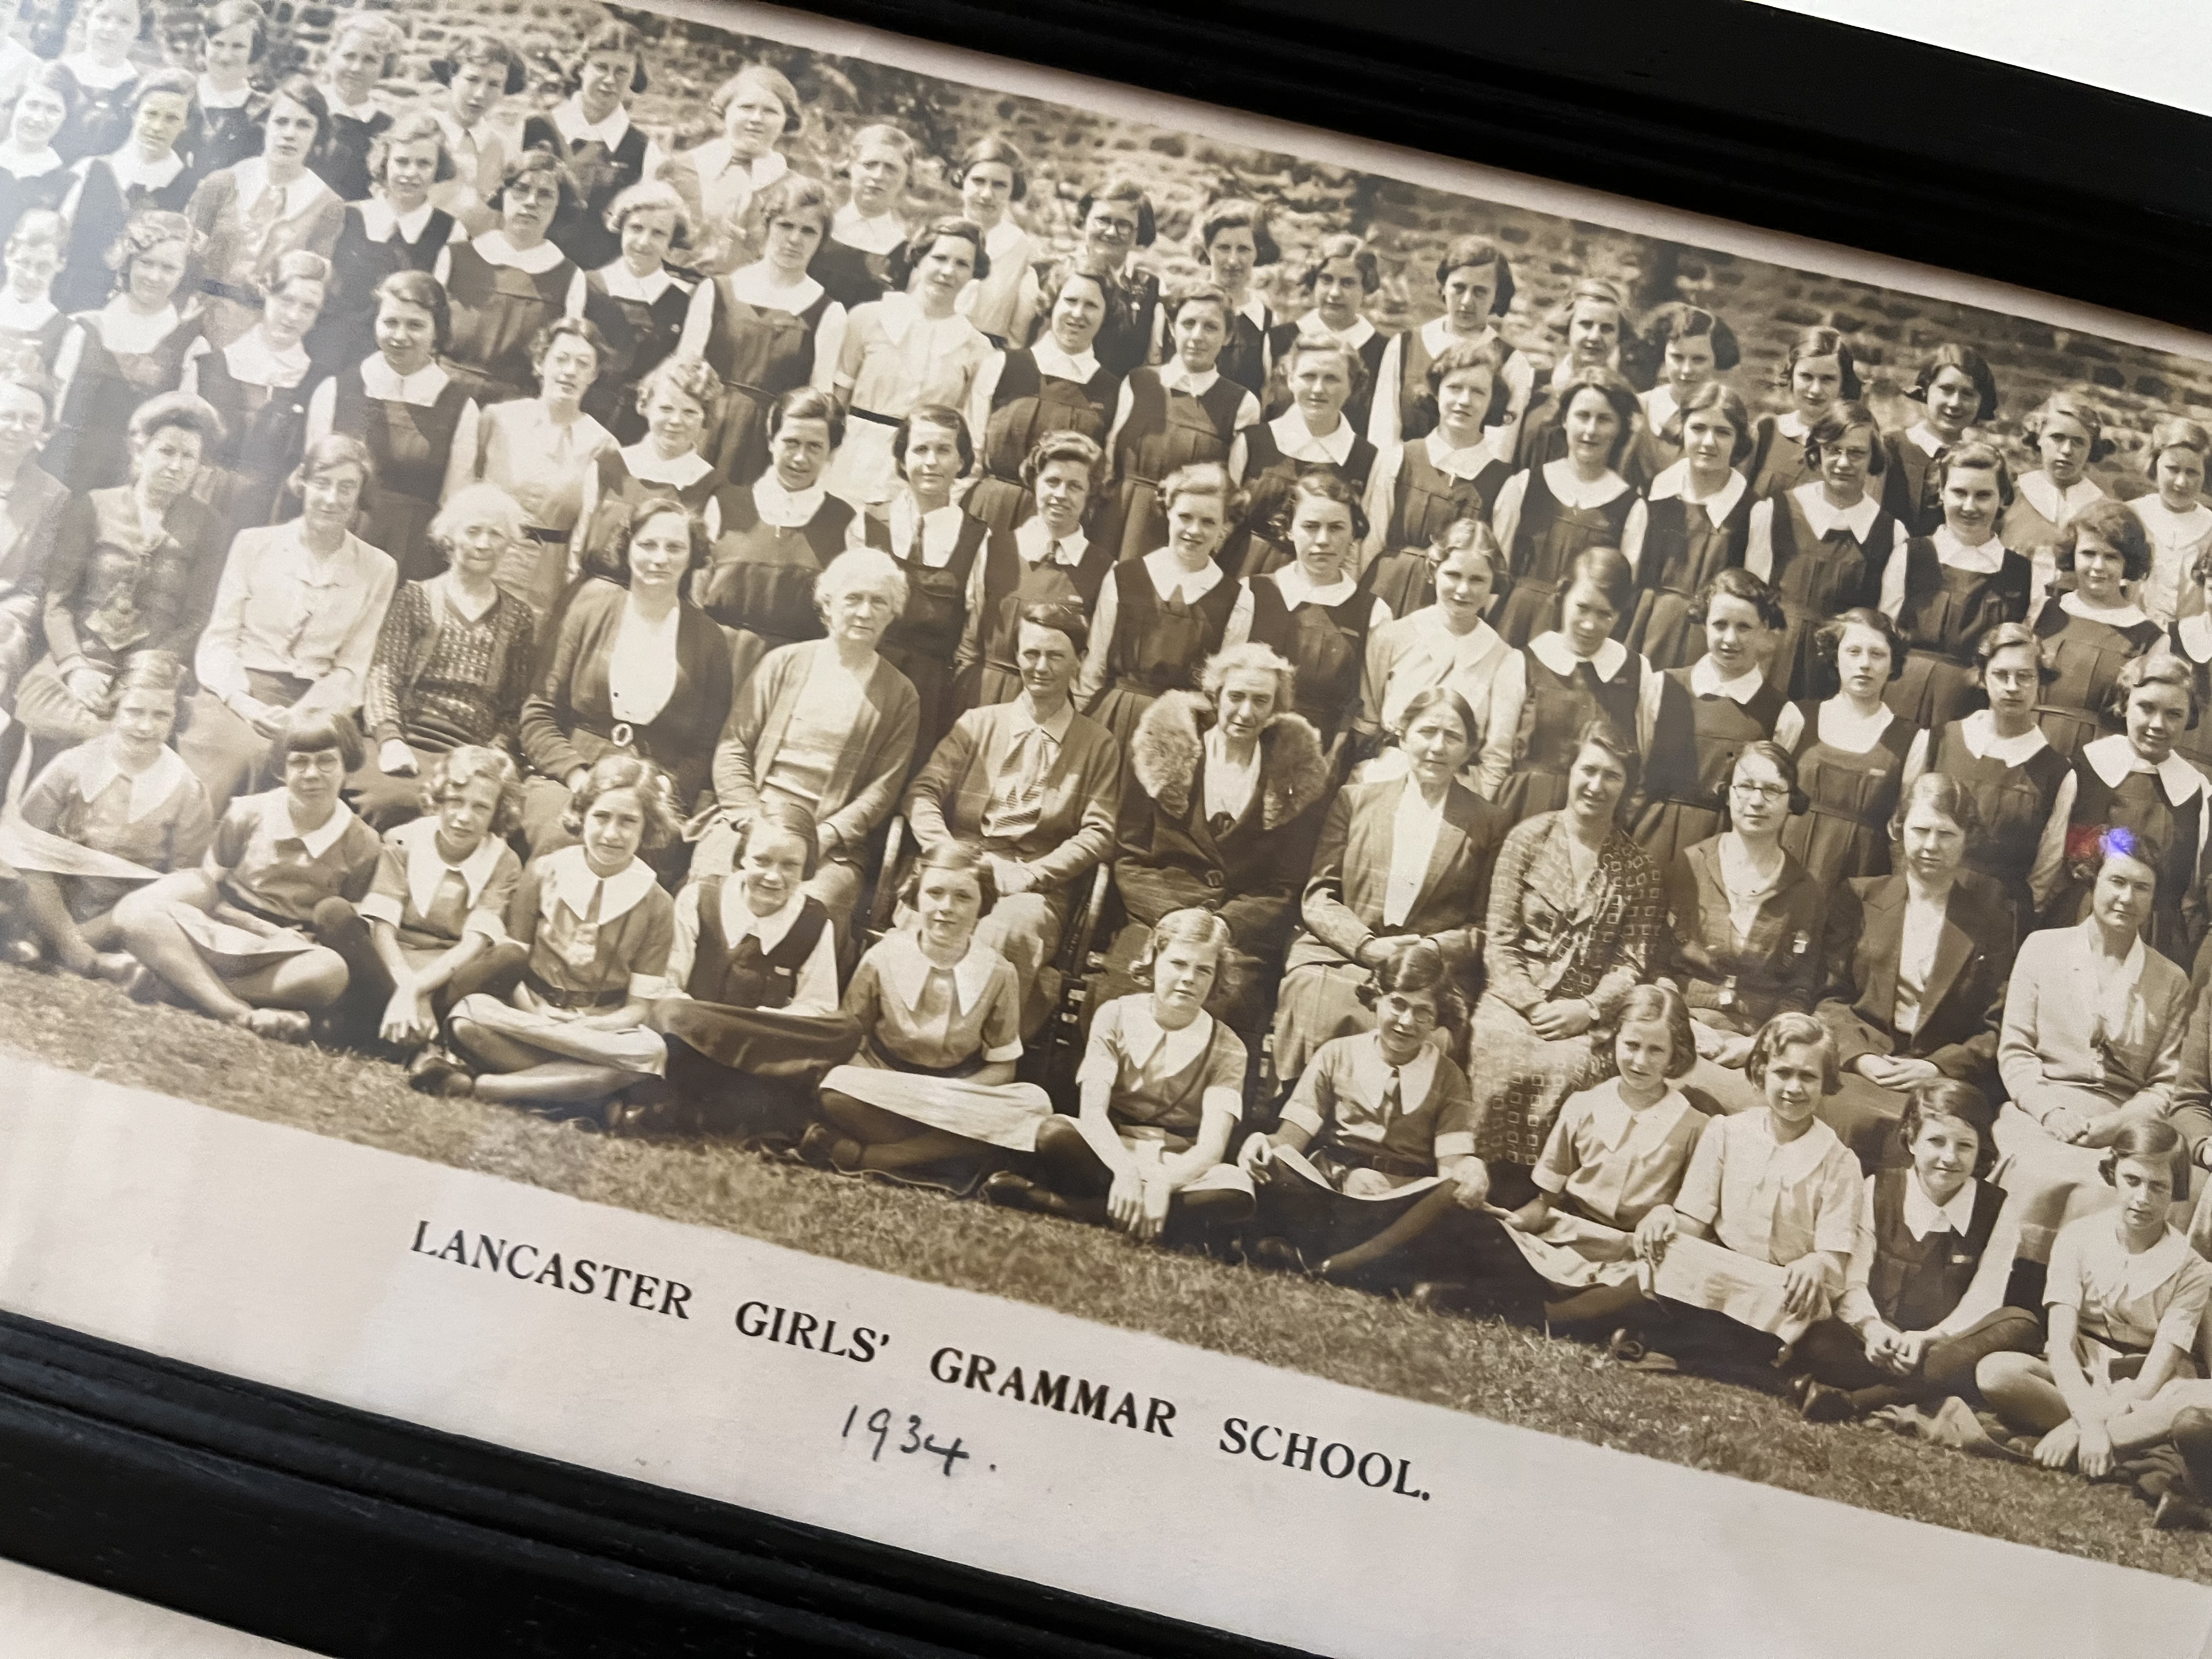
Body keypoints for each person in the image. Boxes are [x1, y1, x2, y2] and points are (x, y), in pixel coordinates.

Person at [1272, 686, 1506, 1084]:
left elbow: (1486, 925)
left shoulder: (1487, 821)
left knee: (1423, 1021)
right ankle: (1295, 1119)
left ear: (1470, 749)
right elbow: (1319, 896)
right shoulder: (1355, 801)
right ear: (1403, 733)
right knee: (1316, 995)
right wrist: (1366, 946)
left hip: (1430, 971)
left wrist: (1431, 949)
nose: (1437, 747)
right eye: (1427, 731)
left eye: (1453, 737)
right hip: (1347, 956)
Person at [904, 601, 1119, 1034]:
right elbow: (923, 792)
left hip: (1034, 887)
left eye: (1056, 656)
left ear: (1079, 661)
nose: (1041, 667)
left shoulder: (1098, 745)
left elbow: (1099, 832)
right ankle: (906, 1036)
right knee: (936, 916)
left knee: (1004, 933)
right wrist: (951, 854)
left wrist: (1032, 875)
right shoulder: (977, 724)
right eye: (1030, 654)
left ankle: (974, 1051)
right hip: (961, 865)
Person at [985, 907, 1254, 1241]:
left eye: (1204, 970)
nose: (1189, 979)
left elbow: (1212, 1148)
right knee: (1054, 1134)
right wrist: (1126, 1172)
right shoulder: (1115, 1015)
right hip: (1110, 1151)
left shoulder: (1229, 1046)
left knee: (1236, 1193)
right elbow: (1093, 1111)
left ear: (1216, 978)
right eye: (1178, 964)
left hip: (1178, 1163)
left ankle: (1056, 1204)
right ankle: (1154, 1219)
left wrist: (1163, 1183)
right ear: (1154, 961)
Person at [111, 712, 380, 1042]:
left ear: (346, 766)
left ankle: (176, 982)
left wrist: (284, 939)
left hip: (283, 951)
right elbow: (211, 888)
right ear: (281, 770)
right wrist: (254, 926)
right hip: (222, 926)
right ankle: (234, 1010)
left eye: (326, 762)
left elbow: (343, 924)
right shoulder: (248, 813)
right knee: (142, 918)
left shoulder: (363, 842)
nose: (312, 775)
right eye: (299, 763)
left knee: (331, 973)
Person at [1995, 826, 2192, 1268]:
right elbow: (2016, 1052)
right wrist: (2050, 1111)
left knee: (2117, 1190)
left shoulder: (2171, 980)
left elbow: (2165, 1082)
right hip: (2041, 1114)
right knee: (2038, 1171)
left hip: (2123, 1125)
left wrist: (2117, 1127)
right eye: (2117, 882)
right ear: (2093, 880)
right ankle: (2015, 1292)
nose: (2127, 898)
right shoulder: (2042, 949)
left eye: (2142, 888)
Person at [1109, 641, 1330, 1030]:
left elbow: (1286, 887)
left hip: (1239, 936)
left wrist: (1227, 924)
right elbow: (1130, 857)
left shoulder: (1294, 776)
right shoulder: (1161, 756)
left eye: (1261, 701)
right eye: (1237, 697)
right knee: (1124, 988)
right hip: (1159, 919)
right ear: (1215, 696)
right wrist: (1173, 916)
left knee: (1230, 1003)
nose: (1247, 712)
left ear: (1276, 708)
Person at [444, 753, 680, 1117]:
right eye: (601, 817)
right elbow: (515, 959)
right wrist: (537, 1013)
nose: (611, 834)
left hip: (598, 1029)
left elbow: (639, 1006)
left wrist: (594, 1024)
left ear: (646, 828)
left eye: (628, 822)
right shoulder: (544, 871)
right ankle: (583, 1093)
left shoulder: (658, 902)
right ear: (583, 814)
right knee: (469, 1016)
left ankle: (496, 1087)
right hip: (531, 1014)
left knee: (651, 1052)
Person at [1791, 1079, 2041, 1421]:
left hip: (1944, 1346)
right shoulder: (1877, 1189)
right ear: (1911, 1140)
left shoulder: (1998, 1210)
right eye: (1936, 1142)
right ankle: (1904, 1388)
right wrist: (1872, 1330)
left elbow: (1983, 1300)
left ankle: (1858, 1401)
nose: (1950, 1158)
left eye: (1965, 1146)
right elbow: (1854, 1281)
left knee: (2019, 1325)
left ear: (1981, 1149)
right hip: (1876, 1340)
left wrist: (1927, 1339)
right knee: (1819, 1339)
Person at [1978, 1121, 2212, 1486]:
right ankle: (2117, 1445)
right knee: (1997, 1374)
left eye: (2158, 1187)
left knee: (2201, 1398)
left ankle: (2077, 1444)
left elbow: (2152, 1377)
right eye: (2133, 1180)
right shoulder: (2078, 1238)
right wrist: (2089, 1417)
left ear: (2176, 1190)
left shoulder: (2193, 1269)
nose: (2142, 1199)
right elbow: (2061, 1346)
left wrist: (2078, 1427)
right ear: (2113, 1174)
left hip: (2149, 1386)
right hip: (2081, 1373)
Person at [1239, 940, 1488, 1280]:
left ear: (1436, 1020)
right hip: (1333, 1188)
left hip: (1400, 1202)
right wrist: (1259, 1143)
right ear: (1377, 999)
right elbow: (1289, 1141)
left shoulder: (1448, 1077)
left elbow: (1449, 1171)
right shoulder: (1337, 1054)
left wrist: (1470, 1168)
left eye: (1422, 1012)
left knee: (1452, 1193)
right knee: (1276, 1162)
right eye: (1397, 1004)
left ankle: (1335, 1263)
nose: (1406, 1021)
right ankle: (1367, 1263)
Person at [806, 842, 1052, 1185]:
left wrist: (949, 1096)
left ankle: (880, 1156)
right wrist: (895, 1087)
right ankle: (944, 1156)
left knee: (1034, 1105)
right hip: (885, 1082)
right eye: (935, 893)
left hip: (957, 1092)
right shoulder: (883, 957)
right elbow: (850, 1037)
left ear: (983, 905)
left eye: (964, 897)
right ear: (916, 896)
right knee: (836, 1087)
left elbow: (1003, 1065)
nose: (946, 908)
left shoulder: (1000, 973)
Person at [13, 391, 225, 776]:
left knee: (133, 735)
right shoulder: (93, 506)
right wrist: (76, 668)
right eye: (166, 451)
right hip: (80, 660)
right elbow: (57, 602)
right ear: (139, 449)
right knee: (59, 727)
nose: (176, 466)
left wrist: (146, 674)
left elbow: (197, 618)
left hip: (151, 673)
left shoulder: (207, 527)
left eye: (188, 457)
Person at [179, 434, 393, 813]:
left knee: (297, 766)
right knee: (236, 760)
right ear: (303, 483)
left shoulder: (379, 568)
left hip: (320, 703)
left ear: (360, 495)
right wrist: (243, 702)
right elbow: (220, 638)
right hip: (239, 688)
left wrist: (302, 716)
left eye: (347, 488)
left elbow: (352, 667)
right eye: (322, 484)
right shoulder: (253, 544)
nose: (332, 499)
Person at [1634, 1014, 1862, 1365]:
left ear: (1826, 1083)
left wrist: (1816, 1262)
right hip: (1720, 1267)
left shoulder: (1839, 1162)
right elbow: (1693, 1222)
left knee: (1813, 1319)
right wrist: (1665, 1216)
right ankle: (1739, 1356)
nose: (1794, 1088)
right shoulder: (1727, 1132)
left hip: (1781, 1288)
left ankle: (1679, 1343)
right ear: (1760, 1073)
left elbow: (1835, 1259)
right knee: (1670, 1251)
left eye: (1808, 1076)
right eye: (1783, 1073)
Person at [1814, 773, 2016, 1168]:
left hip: (1943, 1079)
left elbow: (1998, 1023)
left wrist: (1937, 1067)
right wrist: (1859, 1057)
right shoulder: (1860, 897)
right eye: (1920, 830)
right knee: (1844, 1118)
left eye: (1946, 834)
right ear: (1898, 828)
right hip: (1867, 1068)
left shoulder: (1992, 913)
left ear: (1966, 839)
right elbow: (1829, 998)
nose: (1930, 846)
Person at [706, 546, 916, 918]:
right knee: (710, 878)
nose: (865, 612)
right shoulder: (782, 663)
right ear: (829, 603)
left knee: (816, 906)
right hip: (751, 822)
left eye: (879, 602)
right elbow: (734, 745)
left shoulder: (901, 695)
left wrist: (826, 836)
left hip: (828, 843)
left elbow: (883, 789)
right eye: (854, 599)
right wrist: (752, 820)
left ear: (893, 613)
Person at [520, 501, 731, 860]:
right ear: (628, 547)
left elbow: (708, 746)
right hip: (572, 774)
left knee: (648, 855)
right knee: (564, 842)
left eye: (675, 547)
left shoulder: (709, 639)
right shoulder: (588, 606)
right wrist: (578, 776)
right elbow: (538, 714)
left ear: (692, 556)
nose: (660, 558)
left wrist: (664, 787)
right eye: (648, 545)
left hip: (655, 786)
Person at [1489, 983, 1704, 1331]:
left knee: (1661, 1282)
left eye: (1656, 1051)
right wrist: (1511, 1223)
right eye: (1631, 1045)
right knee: (1491, 1234)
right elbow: (1546, 1201)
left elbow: (1691, 1218)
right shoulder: (1584, 1105)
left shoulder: (1696, 1126)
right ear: (1615, 1039)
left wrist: (1666, 1216)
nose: (1639, 1061)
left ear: (1675, 1055)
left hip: (1633, 1255)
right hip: (1566, 1239)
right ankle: (1578, 1317)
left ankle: (1544, 1315)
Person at [647, 800, 861, 1128]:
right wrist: (708, 1025)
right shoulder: (699, 899)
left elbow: (817, 1005)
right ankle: (741, 1107)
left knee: (845, 1031)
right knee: (671, 1014)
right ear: (742, 858)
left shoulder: (814, 922)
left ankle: (701, 1103)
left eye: (790, 865)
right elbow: (668, 985)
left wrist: (762, 1022)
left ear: (806, 869)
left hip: (759, 1039)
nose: (774, 877)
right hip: (697, 1036)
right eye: (762, 860)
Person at [0, 650, 211, 979]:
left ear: (176, 718)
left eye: (161, 715)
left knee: (184, 889)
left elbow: (181, 877)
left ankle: (59, 945)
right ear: (113, 709)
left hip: (119, 913)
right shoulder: (74, 764)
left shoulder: (185, 789)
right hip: (55, 901)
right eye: (134, 712)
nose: (145, 726)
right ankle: (83, 956)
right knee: (27, 872)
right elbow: (21, 840)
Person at [314, 744, 526, 1062]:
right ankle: (422, 1041)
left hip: (447, 971)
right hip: (390, 963)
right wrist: (408, 988)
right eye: (455, 802)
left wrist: (420, 990)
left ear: (497, 812)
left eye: (481, 807)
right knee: (332, 913)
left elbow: (475, 942)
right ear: (439, 800)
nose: (464, 818)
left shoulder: (504, 860)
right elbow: (383, 926)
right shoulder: (403, 839)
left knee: (511, 955)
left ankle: (371, 1027)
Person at [349, 483, 537, 830]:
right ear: (449, 538)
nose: (483, 544)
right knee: (390, 802)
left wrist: (494, 753)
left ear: (509, 544)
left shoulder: (519, 619)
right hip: (404, 739)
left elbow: (514, 710)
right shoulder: (416, 598)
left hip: (470, 753)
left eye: (495, 534)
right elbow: (382, 676)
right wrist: (391, 740)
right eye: (473, 531)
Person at [1660, 742, 1832, 1116]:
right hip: (1683, 1029)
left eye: (1772, 790)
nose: (1757, 801)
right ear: (1727, 794)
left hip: (1756, 1044)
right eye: (1746, 787)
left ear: (1791, 803)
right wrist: (1683, 1022)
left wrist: (1760, 1043)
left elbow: (1800, 988)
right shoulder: (1689, 865)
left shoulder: (1805, 892)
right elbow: (1658, 965)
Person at [303, 270, 479, 586]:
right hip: (339, 540)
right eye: (390, 323)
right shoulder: (335, 391)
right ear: (375, 324)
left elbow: (454, 501)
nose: (400, 337)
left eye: (415, 325)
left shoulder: (459, 406)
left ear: (437, 331)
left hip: (414, 556)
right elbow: (313, 484)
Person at [1901, 621, 2075, 939]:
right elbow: (1901, 826)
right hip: (1922, 904)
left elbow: (2045, 870)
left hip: (1996, 920)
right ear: (1982, 678)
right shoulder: (1938, 740)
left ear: (2040, 683)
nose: (2012, 686)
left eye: (2025, 676)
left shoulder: (2057, 772)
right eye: (2001, 675)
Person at [675, 171, 843, 483]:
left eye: (808, 231)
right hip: (704, 431)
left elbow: (819, 397)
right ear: (767, 226)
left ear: (821, 240)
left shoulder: (828, 312)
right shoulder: (717, 291)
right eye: (786, 226)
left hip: (771, 444)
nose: (794, 239)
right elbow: (684, 373)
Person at [821, 215, 994, 511]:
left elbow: (969, 432)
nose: (948, 272)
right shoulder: (868, 318)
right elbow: (836, 404)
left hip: (922, 473)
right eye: (939, 258)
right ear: (919, 259)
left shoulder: (977, 348)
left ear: (973, 273)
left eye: (962, 264)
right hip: (852, 463)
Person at [694, 385, 857, 688]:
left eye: (814, 447)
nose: (800, 458)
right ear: (771, 441)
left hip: (790, 680)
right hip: (710, 668)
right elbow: (694, 595)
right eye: (791, 443)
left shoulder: (846, 523)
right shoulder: (725, 504)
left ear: (831, 452)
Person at [2051, 654, 2208, 967]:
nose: (2158, 725)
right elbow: (2049, 859)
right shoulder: (2085, 769)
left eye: (2174, 714)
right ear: (2125, 704)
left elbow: (2197, 887)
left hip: (2157, 940)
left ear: (2189, 719)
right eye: (2146, 707)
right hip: (2078, 924)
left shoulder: (2198, 790)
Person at [1076, 459, 1240, 747]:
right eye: (1185, 517)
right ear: (1168, 512)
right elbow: (1095, 667)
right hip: (1111, 720)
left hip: (1178, 733)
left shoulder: (1236, 598)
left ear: (1223, 528)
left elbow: (1221, 691)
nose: (1195, 531)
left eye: (1208, 522)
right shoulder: (1125, 576)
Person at [1478, 546, 1650, 821]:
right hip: (1524, 810)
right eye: (1582, 608)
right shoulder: (1522, 663)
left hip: (1597, 818)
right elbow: (1496, 758)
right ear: (1562, 596)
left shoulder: (1637, 670)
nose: (1590, 625)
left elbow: (1642, 763)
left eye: (1605, 614)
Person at [1745, 399, 1903, 699]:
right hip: (1771, 660)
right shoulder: (1775, 512)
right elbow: (1752, 602)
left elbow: (1885, 624)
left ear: (1873, 459)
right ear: (1817, 452)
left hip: (1837, 673)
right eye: (1834, 450)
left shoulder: (1890, 534)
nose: (1844, 463)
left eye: (1857, 453)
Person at [857, 404, 990, 758]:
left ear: (962, 462)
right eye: (920, 449)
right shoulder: (868, 521)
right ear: (901, 460)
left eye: (944, 450)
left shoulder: (978, 540)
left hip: (926, 692)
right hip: (862, 674)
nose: (931, 462)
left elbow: (971, 636)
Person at [1094, 279, 1257, 565]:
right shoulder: (1139, 381)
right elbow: (1109, 460)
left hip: (1182, 537)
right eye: (1188, 323)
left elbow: (1231, 493)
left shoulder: (1242, 404)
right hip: (1116, 523)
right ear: (1171, 329)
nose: (1197, 336)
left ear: (1228, 336)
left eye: (1211, 327)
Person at [1630, 568, 1786, 868]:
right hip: (1651, 837)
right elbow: (1637, 767)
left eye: (1744, 627)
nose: (1730, 639)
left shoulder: (1779, 712)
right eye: (1720, 625)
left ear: (1764, 627)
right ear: (1703, 624)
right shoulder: (1664, 687)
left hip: (1725, 850)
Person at [1222, 469, 1392, 743]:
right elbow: (1225, 682)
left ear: (1353, 535)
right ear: (1288, 530)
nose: (1323, 540)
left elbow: (1368, 715)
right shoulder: (1254, 593)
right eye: (1311, 526)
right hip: (1248, 740)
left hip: (1323, 752)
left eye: (1336, 528)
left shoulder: (1374, 613)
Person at [1486, 368, 1647, 649]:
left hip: (1579, 633)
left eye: (1604, 420)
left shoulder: (1631, 507)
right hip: (1513, 624)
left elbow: (1621, 594)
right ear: (1564, 419)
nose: (1591, 430)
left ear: (1620, 428)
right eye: (1583, 416)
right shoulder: (1525, 486)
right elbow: (1495, 570)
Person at [462, 316, 616, 607]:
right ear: (540, 363)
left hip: (547, 581)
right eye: (561, 359)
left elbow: (590, 532)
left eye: (583, 364)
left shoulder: (603, 446)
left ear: (594, 374)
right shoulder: (497, 420)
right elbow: (466, 493)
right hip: (482, 559)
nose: (570, 372)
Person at [45, 207, 201, 492]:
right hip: (62, 474)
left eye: (169, 268)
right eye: (145, 263)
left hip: (130, 487)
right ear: (129, 263)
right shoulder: (83, 327)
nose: (154, 276)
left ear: (183, 275)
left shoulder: (189, 347)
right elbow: (54, 413)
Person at [182, 76, 343, 349]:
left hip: (264, 334)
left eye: (304, 125)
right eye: (281, 122)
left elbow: (312, 287)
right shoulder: (222, 183)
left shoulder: (327, 205)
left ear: (318, 136)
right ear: (265, 125)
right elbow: (183, 256)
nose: (290, 134)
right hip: (196, 321)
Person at [1880, 441, 2031, 730]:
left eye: (1984, 495)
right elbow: (1884, 632)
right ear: (1941, 493)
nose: (1970, 506)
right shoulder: (1912, 554)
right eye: (1959, 493)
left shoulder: (2021, 572)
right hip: (1900, 694)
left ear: (2003, 499)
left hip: (1970, 709)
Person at [182, 248, 328, 546]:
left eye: (308, 307)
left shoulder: (320, 384)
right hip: (199, 507)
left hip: (272, 519)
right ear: (265, 293)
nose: (293, 316)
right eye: (286, 300)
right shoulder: (208, 365)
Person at [955, 429, 1111, 708]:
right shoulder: (994, 548)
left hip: (1049, 708)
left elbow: (1093, 667)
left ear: (1090, 495)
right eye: (1052, 481)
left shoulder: (1104, 570)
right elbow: (969, 640)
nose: (1060, 495)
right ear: (1035, 483)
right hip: (979, 699)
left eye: (1075, 486)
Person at [964, 262, 1120, 534]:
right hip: (987, 513)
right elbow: (971, 451)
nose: (1078, 314)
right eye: (1069, 300)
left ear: (1106, 315)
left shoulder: (1113, 391)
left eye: (1091, 305)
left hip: (1060, 525)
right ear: (1052, 304)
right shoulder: (1002, 366)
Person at [303, 110, 460, 377]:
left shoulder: (450, 231)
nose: (411, 173)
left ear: (438, 169)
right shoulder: (346, 216)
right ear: (385, 164)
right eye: (401, 162)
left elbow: (442, 315)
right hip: (331, 354)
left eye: (424, 164)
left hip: (399, 358)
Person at [1353, 518, 1509, 778]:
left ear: (1494, 582)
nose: (1463, 590)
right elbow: (1366, 725)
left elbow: (1495, 758)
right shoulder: (1391, 637)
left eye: (1478, 580)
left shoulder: (1503, 658)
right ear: (1434, 570)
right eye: (1453, 575)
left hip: (1456, 788)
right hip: (1383, 775)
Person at [1771, 607, 1915, 888]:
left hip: (1859, 880)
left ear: (1892, 663)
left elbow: (1902, 830)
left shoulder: (1910, 739)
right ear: (1835, 657)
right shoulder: (1798, 717)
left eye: (1877, 654)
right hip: (1786, 869)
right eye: (1853, 652)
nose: (1865, 664)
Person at [1357, 338, 1512, 596]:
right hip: (1385, 593)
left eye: (1478, 392)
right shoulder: (1399, 459)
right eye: (1454, 387)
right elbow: (1371, 542)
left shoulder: (1503, 481)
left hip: (1456, 602)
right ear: (1437, 391)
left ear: (1492, 401)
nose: (1464, 400)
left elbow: (1496, 575)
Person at [434, 149, 587, 405]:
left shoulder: (569, 276)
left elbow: (561, 358)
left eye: (545, 194)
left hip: (517, 404)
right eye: (521, 189)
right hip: (444, 392)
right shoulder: (455, 256)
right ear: (502, 195)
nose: (531, 202)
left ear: (560, 207)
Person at [1621, 385, 1754, 672]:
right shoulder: (1655, 494)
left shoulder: (1752, 510)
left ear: (1739, 441)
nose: (1709, 442)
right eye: (1698, 428)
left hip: (1708, 641)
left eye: (1723, 432)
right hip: (1648, 628)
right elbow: (1632, 574)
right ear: (1683, 430)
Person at [1222, 336, 1377, 579]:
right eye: (1308, 376)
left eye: (1332, 379)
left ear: (1352, 385)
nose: (1318, 389)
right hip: (1239, 574)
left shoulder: (1366, 459)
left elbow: (1357, 548)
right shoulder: (1253, 442)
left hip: (1318, 584)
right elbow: (1223, 522)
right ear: (1291, 378)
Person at [569, 355, 723, 595]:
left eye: (690, 412)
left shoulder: (710, 487)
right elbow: (578, 546)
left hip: (661, 612)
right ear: (646, 406)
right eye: (666, 408)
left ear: (706, 418)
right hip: (594, 600)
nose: (676, 421)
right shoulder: (609, 467)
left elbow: (700, 579)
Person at [521, 19, 662, 274]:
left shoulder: (643, 151)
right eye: (601, 67)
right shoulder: (533, 129)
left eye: (621, 71)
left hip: (596, 282)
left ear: (633, 77)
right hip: (527, 269)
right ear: (582, 68)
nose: (609, 80)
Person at [54, 70, 196, 314]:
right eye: (150, 114)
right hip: (72, 302)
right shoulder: (90, 169)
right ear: (134, 113)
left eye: (172, 119)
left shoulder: (189, 187)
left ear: (185, 125)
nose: (157, 127)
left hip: (138, 314)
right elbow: (57, 241)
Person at [1367, 234, 1525, 453]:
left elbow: (1503, 449)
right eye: (1459, 288)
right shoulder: (1404, 347)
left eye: (1480, 291)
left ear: (1497, 296)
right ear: (1443, 288)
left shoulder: (1512, 363)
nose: (1467, 301)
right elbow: (1383, 434)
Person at [2032, 499, 2161, 760]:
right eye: (2089, 554)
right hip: (2032, 740)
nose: (2098, 567)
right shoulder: (2044, 611)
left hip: (2098, 757)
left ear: (2129, 563)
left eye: (2111, 556)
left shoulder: (2150, 638)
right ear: (2073, 554)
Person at [577, 180, 695, 446]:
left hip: (644, 425)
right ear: (620, 228)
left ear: (671, 241)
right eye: (636, 228)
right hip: (587, 410)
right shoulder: (590, 285)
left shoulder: (684, 299)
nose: (644, 242)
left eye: (658, 234)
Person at [1013, 174, 1159, 381]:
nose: (1111, 232)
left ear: (1139, 232)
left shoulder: (1148, 290)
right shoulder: (1042, 275)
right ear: (1084, 220)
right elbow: (1015, 344)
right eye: (1103, 220)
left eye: (1124, 225)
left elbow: (1147, 367)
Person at [661, 63, 801, 270]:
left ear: (786, 121)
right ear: (725, 111)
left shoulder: (794, 188)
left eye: (770, 111)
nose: (756, 119)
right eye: (746, 107)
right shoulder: (680, 169)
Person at [1263, 234, 1389, 438]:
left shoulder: (1384, 351)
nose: (1334, 293)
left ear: (1366, 288)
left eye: (1348, 283)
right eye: (1326, 280)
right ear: (1314, 282)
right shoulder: (1279, 340)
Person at [0, 365, 70, 718]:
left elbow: (33, 585)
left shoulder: (51, 495)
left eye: (30, 420)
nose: (17, 428)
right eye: (7, 416)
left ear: (43, 430)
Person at [1512, 278, 1636, 472]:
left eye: (1607, 328)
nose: (1595, 337)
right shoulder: (1533, 385)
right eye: (1586, 325)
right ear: (1568, 327)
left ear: (1619, 336)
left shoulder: (1623, 401)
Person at [2006, 389, 2113, 606]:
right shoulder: (2012, 494)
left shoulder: (2103, 509)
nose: (2066, 450)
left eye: (2078, 442)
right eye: (2057, 438)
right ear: (2039, 438)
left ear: (2091, 447)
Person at [1883, 343, 2001, 538]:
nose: (1955, 403)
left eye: (1968, 394)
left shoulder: (1980, 464)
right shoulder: (1890, 447)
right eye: (1946, 390)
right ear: (1926, 390)